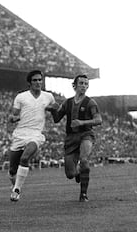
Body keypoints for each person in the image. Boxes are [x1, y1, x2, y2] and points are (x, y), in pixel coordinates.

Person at [50, 74, 102, 202]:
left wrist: (82, 122)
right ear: (74, 85)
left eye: (86, 84)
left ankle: (83, 194)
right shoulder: (67, 103)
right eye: (81, 83)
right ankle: (78, 172)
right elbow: (57, 119)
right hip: (71, 138)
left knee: (84, 159)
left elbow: (98, 120)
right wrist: (52, 110)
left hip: (86, 135)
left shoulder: (90, 102)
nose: (84, 86)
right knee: (70, 174)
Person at [8, 70, 56, 201]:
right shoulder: (21, 97)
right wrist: (13, 118)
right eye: (35, 80)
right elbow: (13, 115)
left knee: (24, 159)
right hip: (19, 134)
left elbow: (57, 113)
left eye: (40, 80)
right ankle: (15, 185)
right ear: (29, 83)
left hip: (35, 135)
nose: (38, 82)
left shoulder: (48, 97)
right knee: (12, 171)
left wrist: (55, 109)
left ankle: (17, 190)